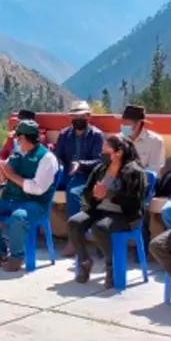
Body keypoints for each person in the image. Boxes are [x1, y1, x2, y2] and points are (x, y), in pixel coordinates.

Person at [67, 134, 147, 288]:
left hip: (124, 214)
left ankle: (112, 266)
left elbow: (134, 203)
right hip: (99, 209)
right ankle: (84, 261)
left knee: (100, 227)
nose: (102, 154)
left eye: (106, 150)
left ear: (119, 152)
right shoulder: (100, 168)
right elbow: (87, 192)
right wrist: (94, 194)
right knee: (74, 222)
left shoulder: (134, 172)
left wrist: (109, 195)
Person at [0, 120, 60, 272]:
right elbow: (3, 179)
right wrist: (1, 174)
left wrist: (11, 175)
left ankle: (17, 257)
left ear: (23, 138)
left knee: (18, 216)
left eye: (18, 137)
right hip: (11, 199)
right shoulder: (16, 153)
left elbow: (38, 189)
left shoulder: (47, 158)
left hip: (35, 203)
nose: (16, 140)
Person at [55, 100, 104, 256]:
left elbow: (99, 161)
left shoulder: (96, 135)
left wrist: (81, 164)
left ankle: (74, 239)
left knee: (73, 193)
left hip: (85, 174)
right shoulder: (64, 134)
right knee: (42, 187)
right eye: (74, 117)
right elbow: (58, 156)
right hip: (66, 172)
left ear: (88, 117)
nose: (77, 120)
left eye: (81, 116)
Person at [0, 109, 44, 201]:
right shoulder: (12, 137)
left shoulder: (39, 138)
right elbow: (3, 154)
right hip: (9, 168)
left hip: (27, 171)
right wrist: (0, 167)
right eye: (18, 123)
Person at [121, 104, 164, 172]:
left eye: (127, 124)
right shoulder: (118, 139)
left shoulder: (155, 141)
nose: (123, 127)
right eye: (123, 123)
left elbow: (154, 169)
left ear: (138, 124)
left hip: (144, 180)